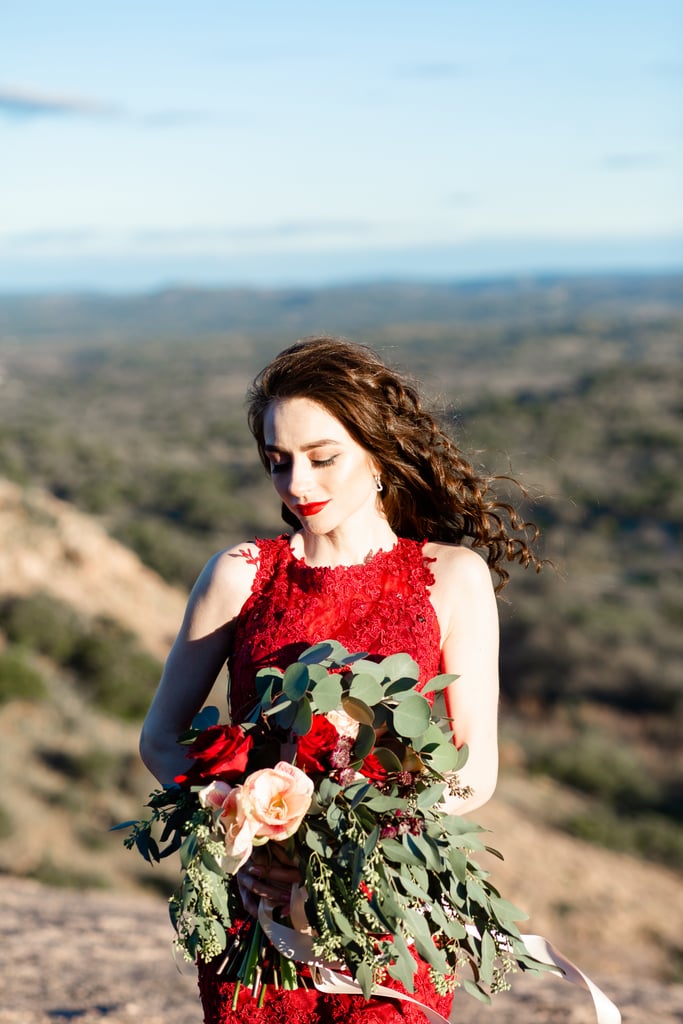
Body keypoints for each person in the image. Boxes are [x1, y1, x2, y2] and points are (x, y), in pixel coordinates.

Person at [139, 336, 541, 1024]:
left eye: (322, 458)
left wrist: (349, 847)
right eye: (277, 462)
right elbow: (161, 739)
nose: (297, 484)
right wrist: (250, 832)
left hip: (385, 911)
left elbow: (472, 768)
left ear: (378, 452)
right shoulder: (241, 571)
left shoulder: (451, 577)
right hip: (260, 919)